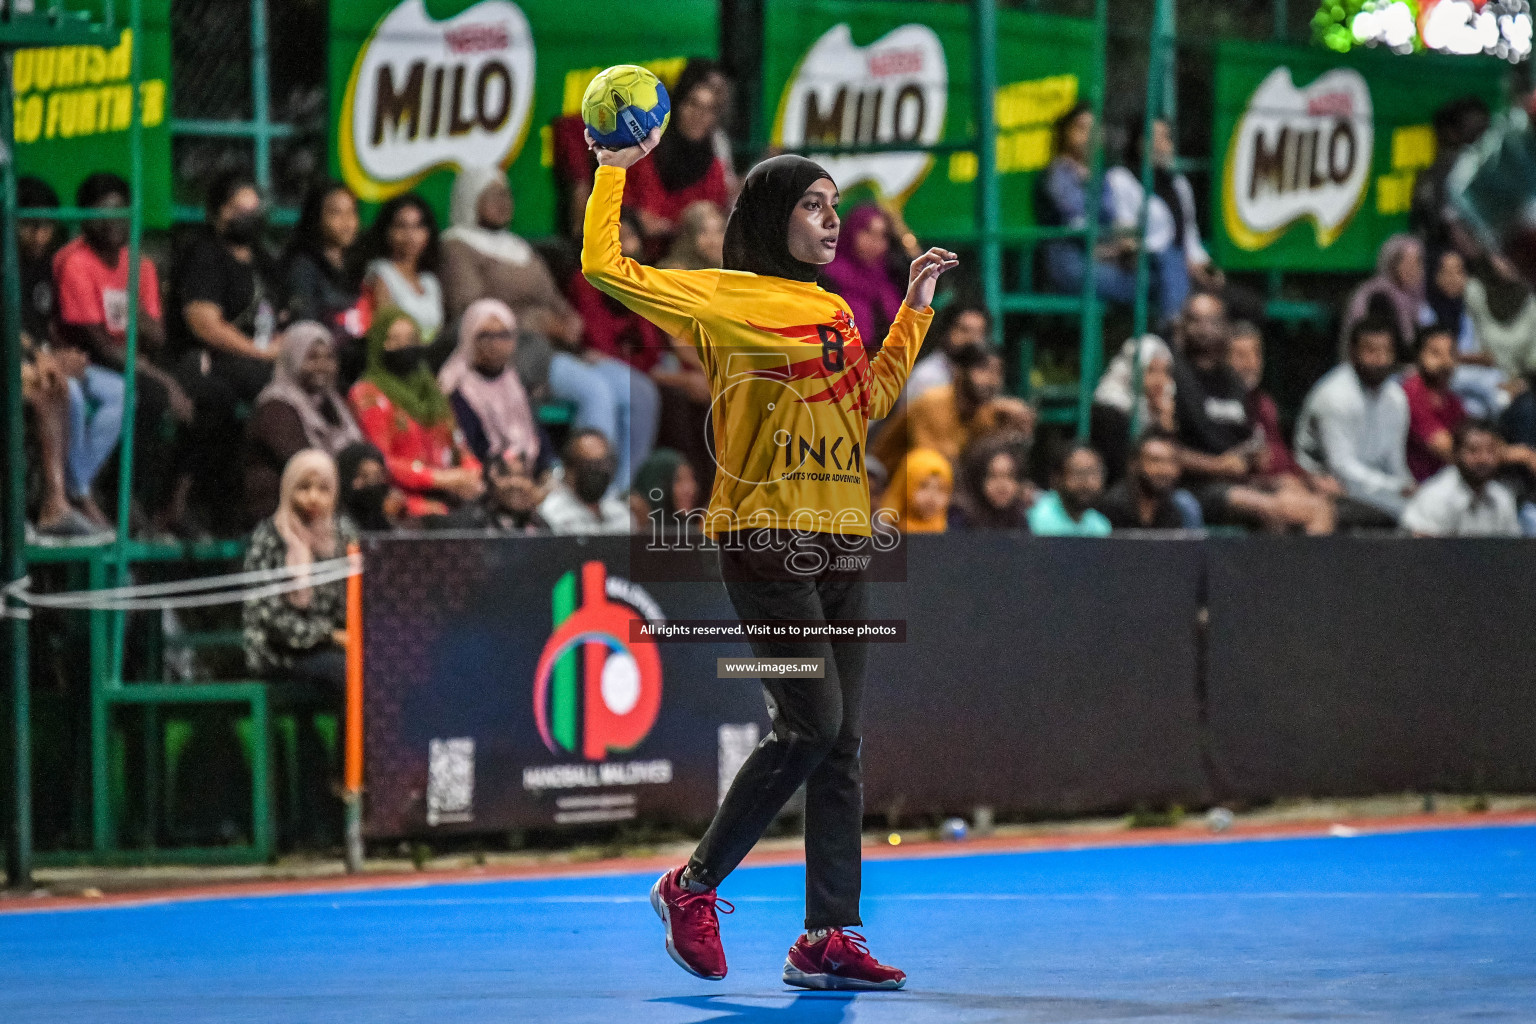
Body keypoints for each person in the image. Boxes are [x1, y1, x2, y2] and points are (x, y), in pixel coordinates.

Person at [583, 127, 955, 989]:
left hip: (843, 539)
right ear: (770, 217)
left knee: (843, 744)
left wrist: (913, 308)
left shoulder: (833, 308)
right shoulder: (724, 296)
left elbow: (864, 406)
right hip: (764, 545)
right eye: (812, 206)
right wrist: (611, 174)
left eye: (833, 206)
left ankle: (829, 938)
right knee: (811, 724)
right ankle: (691, 886)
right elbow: (607, 270)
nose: (831, 221)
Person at [442, 165, 658, 492]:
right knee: (596, 392)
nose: (504, 202)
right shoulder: (457, 245)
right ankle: (588, 492)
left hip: (556, 347)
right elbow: (472, 309)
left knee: (639, 392)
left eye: (506, 194)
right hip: (514, 351)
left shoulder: (519, 248)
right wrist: (535, 323)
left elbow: (552, 297)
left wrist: (570, 321)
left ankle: (620, 493)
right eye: (492, 195)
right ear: (470, 198)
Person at [55, 172, 190, 525]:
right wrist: (159, 377)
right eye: (103, 213)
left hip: (131, 360)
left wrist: (140, 319)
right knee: (151, 394)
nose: (113, 221)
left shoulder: (140, 265)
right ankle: (120, 497)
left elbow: (156, 336)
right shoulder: (75, 262)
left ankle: (170, 506)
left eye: (120, 211)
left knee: (201, 396)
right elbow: (97, 344)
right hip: (87, 361)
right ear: (85, 219)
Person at [1171, 292, 1334, 534]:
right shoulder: (1173, 376)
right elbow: (1162, 451)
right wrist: (1217, 466)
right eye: (1196, 320)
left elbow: (1245, 443)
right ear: (1182, 325)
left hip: (1240, 481)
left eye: (1213, 321)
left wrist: (1256, 458)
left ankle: (1307, 573)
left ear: (1225, 327)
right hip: (1196, 486)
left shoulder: (1234, 383)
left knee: (1319, 506)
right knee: (1278, 509)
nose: (1204, 329)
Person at [175, 171, 281, 534]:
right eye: (237, 210)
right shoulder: (205, 255)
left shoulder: (264, 260)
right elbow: (204, 323)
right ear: (217, 213)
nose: (247, 218)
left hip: (263, 358)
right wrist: (259, 353)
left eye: (253, 210)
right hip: (215, 362)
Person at [349, 307, 483, 520]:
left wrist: (471, 472)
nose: (405, 347)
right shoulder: (368, 394)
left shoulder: (433, 391)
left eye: (412, 338)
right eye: (393, 340)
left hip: (451, 493)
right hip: (401, 500)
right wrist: (438, 478)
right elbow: (380, 461)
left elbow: (460, 445)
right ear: (378, 347)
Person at [242, 449, 358, 686]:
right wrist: (328, 635)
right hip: (279, 654)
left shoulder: (342, 534)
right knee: (348, 673)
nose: (313, 497)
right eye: (304, 488)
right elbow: (267, 613)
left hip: (336, 646)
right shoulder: (270, 537)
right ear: (288, 488)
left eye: (323, 489)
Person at [1295, 318, 1414, 524]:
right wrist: (1396, 488)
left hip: (1376, 489)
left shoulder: (1396, 398)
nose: (1380, 359)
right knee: (1410, 517)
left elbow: (1395, 463)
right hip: (1325, 486)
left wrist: (1408, 488)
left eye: (1386, 351)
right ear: (1352, 352)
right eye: (1371, 351)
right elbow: (1341, 468)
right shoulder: (1334, 396)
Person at [243, 322, 364, 524]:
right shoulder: (275, 406)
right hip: (282, 507)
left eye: (329, 358)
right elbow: (304, 462)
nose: (323, 366)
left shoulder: (334, 404)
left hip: (330, 498)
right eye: (312, 358)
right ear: (293, 359)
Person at [1106, 118, 1221, 322]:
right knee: (1170, 260)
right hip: (1142, 264)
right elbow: (1125, 231)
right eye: (1159, 138)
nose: (1166, 145)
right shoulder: (1121, 178)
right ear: (1140, 143)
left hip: (1178, 266)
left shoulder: (1178, 184)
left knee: (1243, 301)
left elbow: (1190, 238)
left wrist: (1205, 266)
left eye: (1167, 138)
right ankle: (1173, 330)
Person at [622, 59, 731, 257]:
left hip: (690, 266)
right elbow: (618, 206)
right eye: (692, 104)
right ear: (677, 105)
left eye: (709, 110)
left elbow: (713, 225)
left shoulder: (713, 169)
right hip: (640, 259)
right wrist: (637, 220)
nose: (699, 115)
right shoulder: (643, 155)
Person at [1227, 322, 1344, 501]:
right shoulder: (1224, 406)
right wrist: (1278, 483)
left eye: (1256, 354)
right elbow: (1236, 469)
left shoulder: (1265, 404)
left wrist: (1311, 479)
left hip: (1286, 486)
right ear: (1224, 359)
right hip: (1252, 492)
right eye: (1241, 355)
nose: (1250, 364)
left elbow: (1285, 460)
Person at [871, 343, 1033, 469]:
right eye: (983, 369)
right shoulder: (933, 402)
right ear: (958, 372)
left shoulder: (986, 410)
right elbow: (941, 465)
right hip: (885, 485)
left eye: (997, 371)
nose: (991, 380)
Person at [1035, 102, 1135, 304]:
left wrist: (1123, 243)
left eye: (1094, 129)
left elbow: (1114, 216)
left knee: (1149, 275)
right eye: (1081, 128)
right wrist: (1110, 247)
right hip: (1070, 260)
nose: (1088, 135)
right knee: (1140, 286)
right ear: (1066, 133)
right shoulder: (1059, 174)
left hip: (1105, 258)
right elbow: (1076, 222)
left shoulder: (1104, 175)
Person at [438, 299, 546, 472]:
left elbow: (537, 436)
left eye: (504, 335)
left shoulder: (515, 381)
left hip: (524, 474)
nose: (496, 344)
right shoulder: (455, 386)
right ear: (469, 336)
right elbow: (468, 446)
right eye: (486, 336)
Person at [282, 181, 365, 376]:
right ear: (316, 217)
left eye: (352, 212)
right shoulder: (303, 267)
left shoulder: (359, 263)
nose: (347, 222)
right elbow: (305, 328)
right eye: (336, 213)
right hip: (322, 363)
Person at [1401, 420, 1522, 536]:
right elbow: (1419, 551)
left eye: (1490, 451)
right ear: (1455, 453)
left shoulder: (1502, 497)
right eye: (1473, 451)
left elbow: (1511, 550)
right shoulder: (1435, 497)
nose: (1483, 458)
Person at [1090, 334, 1176, 483]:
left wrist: (1165, 422)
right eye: (1151, 370)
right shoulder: (1110, 407)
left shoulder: (1164, 404)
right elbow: (1119, 465)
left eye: (1165, 371)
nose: (1160, 380)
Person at [361, 193, 444, 345]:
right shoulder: (381, 273)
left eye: (418, 226)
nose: (410, 235)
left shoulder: (430, 281)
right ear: (387, 232)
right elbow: (383, 328)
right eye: (401, 226)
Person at [822, 204, 907, 347]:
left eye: (882, 236)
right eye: (868, 231)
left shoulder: (888, 286)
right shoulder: (826, 279)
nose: (875, 242)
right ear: (851, 231)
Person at [1340, 234, 1430, 361]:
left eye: (1417, 263)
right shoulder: (1377, 295)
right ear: (1391, 263)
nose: (1412, 269)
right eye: (1405, 262)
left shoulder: (1415, 298)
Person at [1402, 324, 1467, 483]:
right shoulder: (1411, 393)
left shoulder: (1452, 400)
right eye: (1435, 354)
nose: (1446, 361)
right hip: (1414, 484)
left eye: (1451, 353)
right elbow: (1447, 449)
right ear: (1418, 355)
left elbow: (1469, 435)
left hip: (1445, 482)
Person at [537, 428, 633, 535]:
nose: (597, 470)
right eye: (588, 465)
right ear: (568, 469)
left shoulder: (620, 513)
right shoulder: (550, 515)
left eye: (602, 463)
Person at [1094, 433, 1187, 530]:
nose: (1164, 470)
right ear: (1134, 465)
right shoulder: (1112, 507)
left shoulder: (1173, 508)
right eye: (1155, 460)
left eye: (1171, 462)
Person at [903, 302, 990, 402]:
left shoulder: (987, 377)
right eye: (964, 330)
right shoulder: (926, 377)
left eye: (979, 333)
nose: (972, 339)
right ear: (946, 331)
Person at [946, 433, 1031, 530]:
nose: (1002, 485)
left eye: (1009, 476)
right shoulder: (960, 519)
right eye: (993, 476)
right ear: (977, 478)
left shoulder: (1019, 518)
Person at [1028, 443, 1112, 536]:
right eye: (1078, 473)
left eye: (1093, 473)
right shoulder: (1035, 519)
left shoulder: (1100, 526)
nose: (1086, 482)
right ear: (1057, 478)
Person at [629, 447, 701, 537]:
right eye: (678, 480)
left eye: (691, 478)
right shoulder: (626, 520)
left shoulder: (687, 533)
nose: (690, 489)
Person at [879, 447, 952, 533]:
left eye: (941, 488)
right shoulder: (883, 532)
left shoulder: (953, 534)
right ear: (905, 486)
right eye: (923, 486)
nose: (932, 497)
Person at [335, 441, 401, 532]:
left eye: (377, 477)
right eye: (363, 476)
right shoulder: (336, 526)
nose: (372, 483)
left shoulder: (389, 524)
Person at [658, 200, 727, 271]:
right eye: (704, 232)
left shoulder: (732, 268)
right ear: (689, 236)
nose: (715, 240)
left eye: (720, 230)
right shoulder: (675, 272)